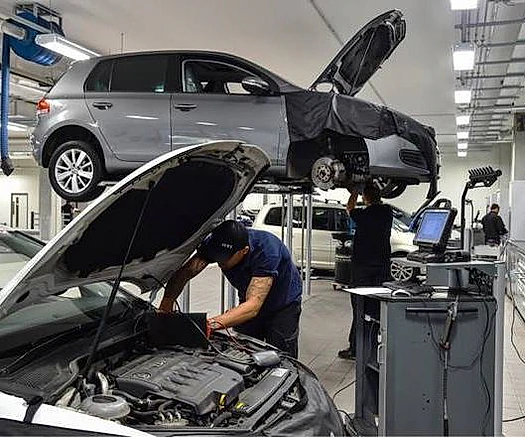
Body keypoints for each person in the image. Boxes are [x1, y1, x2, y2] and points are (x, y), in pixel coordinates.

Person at [159, 220, 303, 357]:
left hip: (283, 303)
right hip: (248, 298)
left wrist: (209, 325)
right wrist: (167, 302)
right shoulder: (213, 244)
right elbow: (185, 273)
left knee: (280, 352)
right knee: (244, 348)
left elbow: (253, 306)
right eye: (218, 257)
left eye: (226, 257)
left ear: (244, 251)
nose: (221, 261)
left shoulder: (267, 251)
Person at [338, 182, 393, 360]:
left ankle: (356, 348)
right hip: (382, 268)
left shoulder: (363, 214)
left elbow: (349, 208)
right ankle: (377, 344)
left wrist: (354, 190)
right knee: (378, 307)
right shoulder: (387, 212)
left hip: (362, 269)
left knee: (359, 308)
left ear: (365, 197)